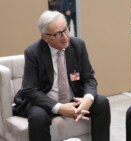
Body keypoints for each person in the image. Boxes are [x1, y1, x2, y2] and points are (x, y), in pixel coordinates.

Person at [12, 10, 111, 141]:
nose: (65, 37)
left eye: (66, 29)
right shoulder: (33, 52)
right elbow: (29, 90)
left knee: (102, 102)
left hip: (73, 98)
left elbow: (89, 78)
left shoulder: (78, 45)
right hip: (46, 101)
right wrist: (59, 108)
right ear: (45, 37)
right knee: (38, 117)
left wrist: (88, 99)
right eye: (58, 34)